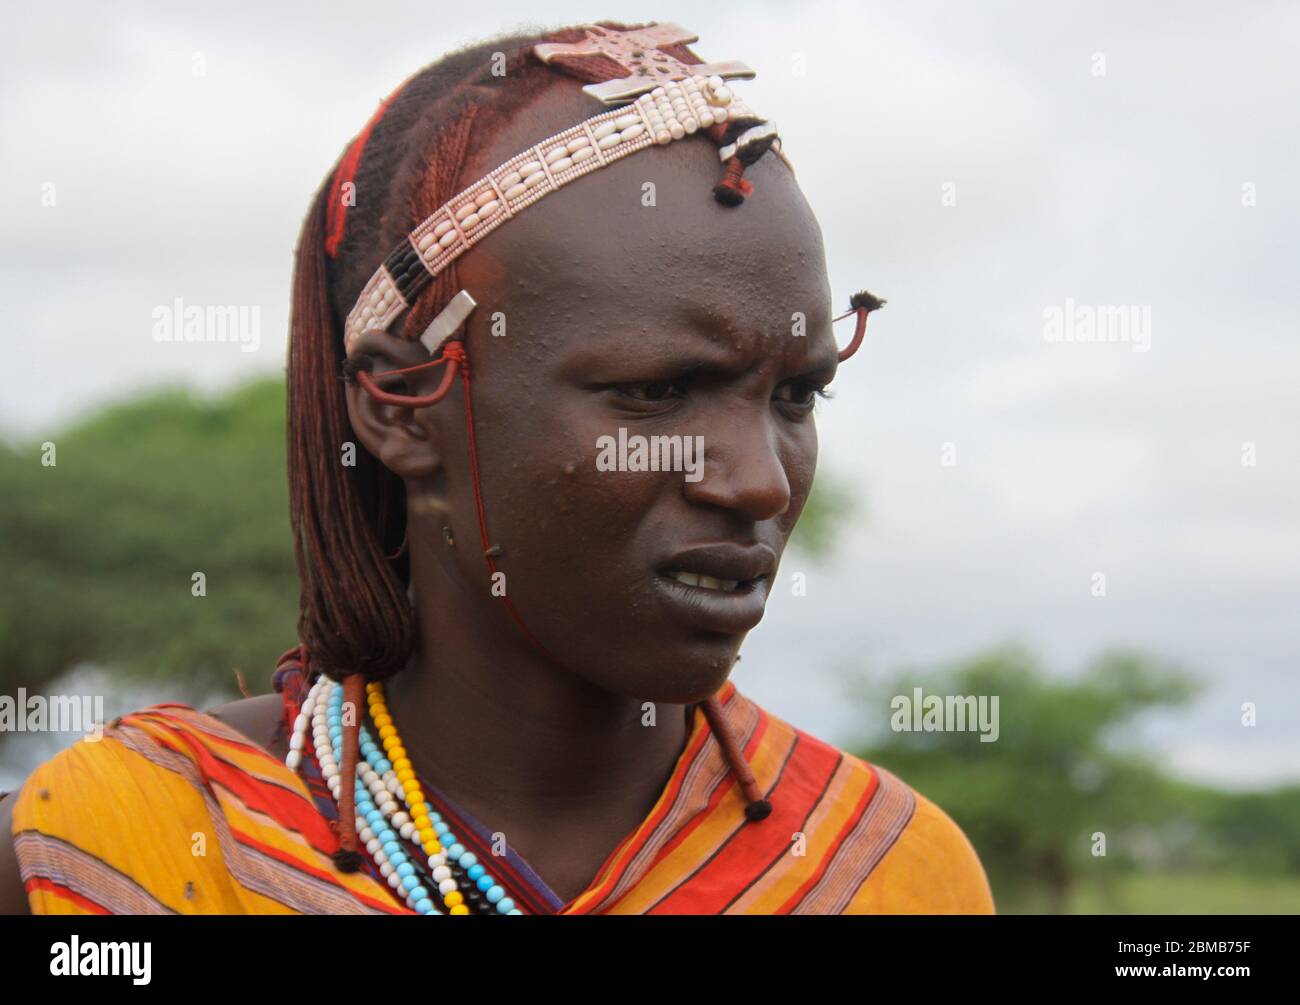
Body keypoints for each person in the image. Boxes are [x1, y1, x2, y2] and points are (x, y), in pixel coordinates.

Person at [0, 21, 994, 915]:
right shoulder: (118, 856)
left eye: (794, 395)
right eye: (657, 392)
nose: (758, 484)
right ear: (401, 407)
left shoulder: (888, 872)